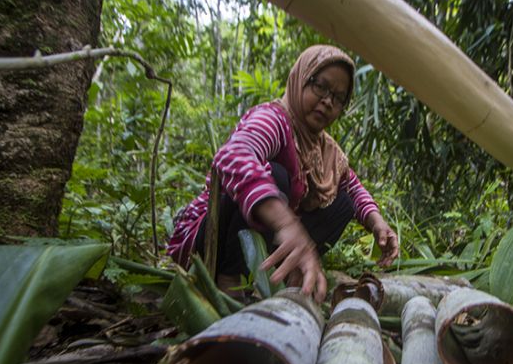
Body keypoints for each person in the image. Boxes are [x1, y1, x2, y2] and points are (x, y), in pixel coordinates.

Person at [168, 45, 399, 303]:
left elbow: (353, 187)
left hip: (263, 245)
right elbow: (233, 155)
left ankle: (289, 276)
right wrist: (287, 225)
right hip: (211, 239)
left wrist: (378, 222)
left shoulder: (325, 149)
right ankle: (229, 281)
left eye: (337, 97)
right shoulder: (273, 119)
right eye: (320, 87)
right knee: (275, 175)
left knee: (343, 203)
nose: (327, 101)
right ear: (300, 78)